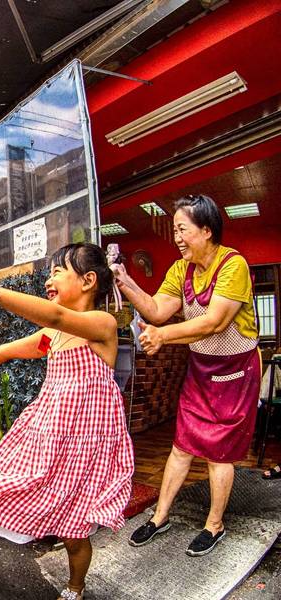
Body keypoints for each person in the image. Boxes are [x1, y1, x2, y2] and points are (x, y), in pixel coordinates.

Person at [0, 243, 134, 600]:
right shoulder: (53, 336)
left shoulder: (101, 324)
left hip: (84, 450)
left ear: (89, 280)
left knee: (75, 529)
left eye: (58, 271)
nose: (49, 279)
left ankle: (74, 589)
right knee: (11, 491)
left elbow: (56, 316)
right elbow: (14, 347)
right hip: (48, 434)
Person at [111, 194, 260, 557]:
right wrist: (126, 281)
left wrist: (164, 336)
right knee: (182, 446)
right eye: (175, 229)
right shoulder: (182, 270)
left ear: (206, 230)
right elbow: (158, 310)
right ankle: (159, 516)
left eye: (183, 229)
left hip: (235, 372)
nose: (177, 237)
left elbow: (216, 321)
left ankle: (215, 524)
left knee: (218, 453)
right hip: (201, 369)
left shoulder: (232, 265)